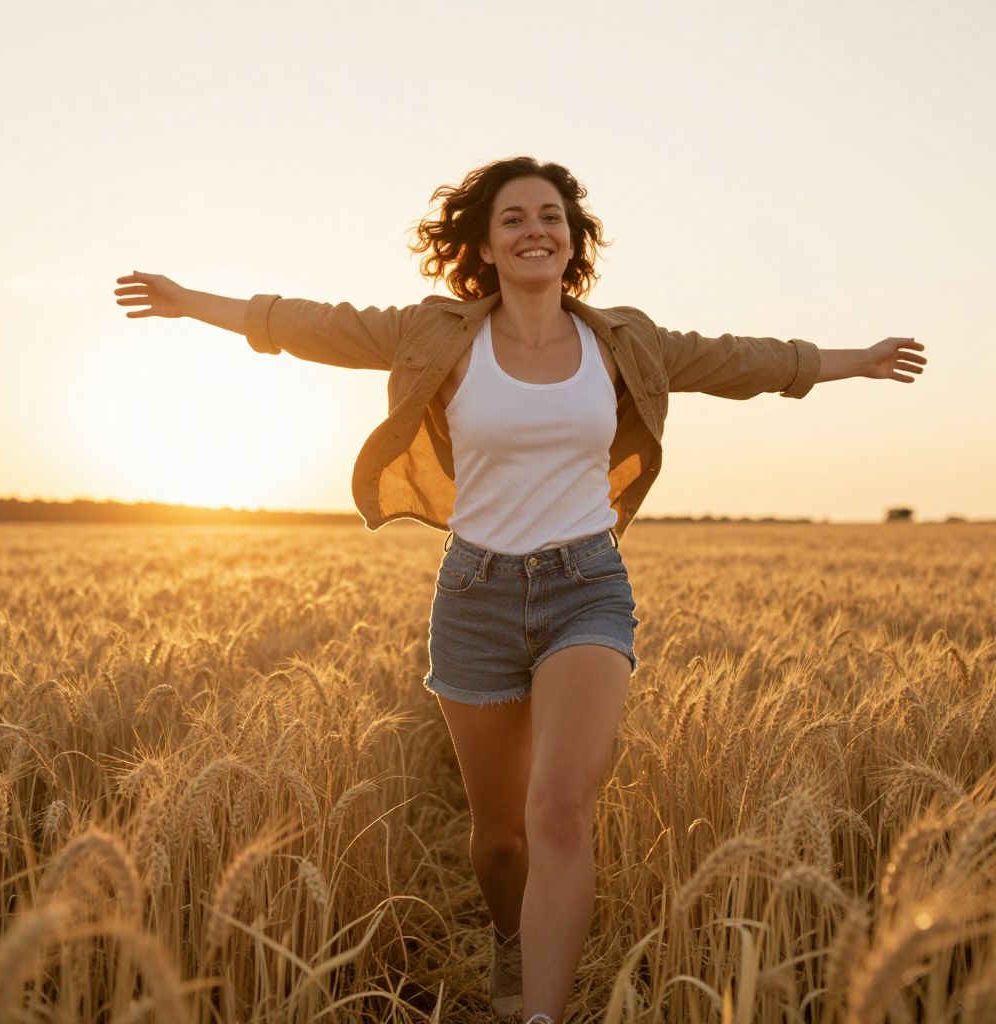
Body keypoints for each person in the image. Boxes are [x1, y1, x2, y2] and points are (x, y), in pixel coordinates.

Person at [114, 155, 927, 1024]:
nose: (535, 228)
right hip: (475, 595)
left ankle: (538, 1014)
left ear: (573, 241)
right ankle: (510, 938)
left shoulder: (624, 340)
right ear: (486, 245)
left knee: (562, 810)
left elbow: (742, 360)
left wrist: (858, 361)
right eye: (513, 218)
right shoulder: (440, 334)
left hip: (587, 587)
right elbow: (313, 324)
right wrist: (189, 300)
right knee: (500, 841)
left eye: (551, 215)